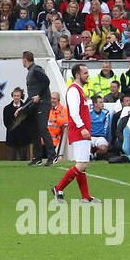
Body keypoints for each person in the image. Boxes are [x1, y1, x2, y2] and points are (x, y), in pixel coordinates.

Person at [52, 64, 97, 202]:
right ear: (77, 75)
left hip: (81, 131)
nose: (87, 75)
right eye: (85, 73)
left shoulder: (80, 90)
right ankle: (58, 187)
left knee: (82, 165)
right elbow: (74, 112)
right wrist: (82, 127)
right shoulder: (73, 91)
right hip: (79, 131)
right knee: (81, 164)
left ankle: (85, 196)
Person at [22, 51, 56, 166]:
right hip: (35, 104)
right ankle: (38, 157)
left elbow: (46, 81)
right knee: (34, 129)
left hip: (42, 103)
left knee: (42, 128)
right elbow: (32, 94)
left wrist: (40, 95)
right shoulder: (31, 71)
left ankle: (52, 156)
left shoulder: (36, 69)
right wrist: (22, 107)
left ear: (25, 59)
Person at [3, 87, 33, 162]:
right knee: (11, 158)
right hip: (12, 137)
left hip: (24, 137)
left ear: (21, 97)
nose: (16, 97)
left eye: (18, 96)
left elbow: (29, 122)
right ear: (12, 96)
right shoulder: (7, 108)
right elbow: (6, 122)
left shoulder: (26, 108)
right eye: (14, 95)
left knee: (24, 159)